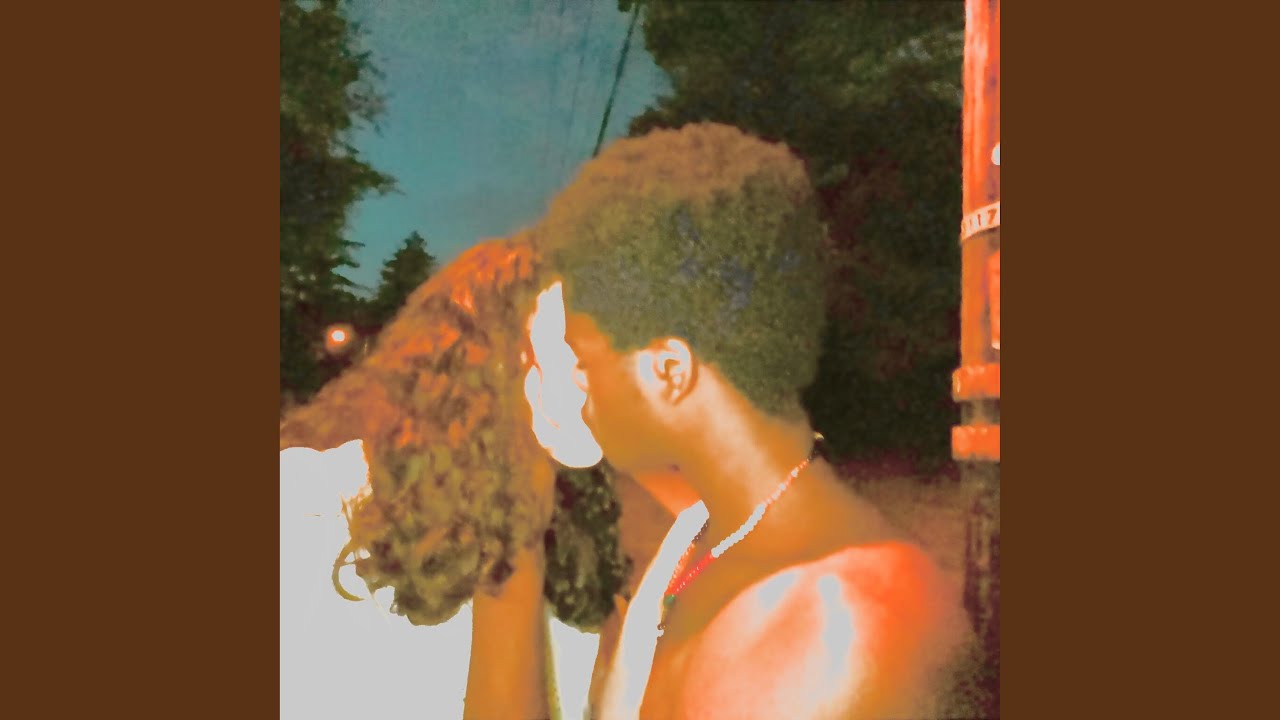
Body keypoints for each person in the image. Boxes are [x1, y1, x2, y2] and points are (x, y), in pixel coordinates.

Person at [522, 123, 976, 719]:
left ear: (668, 371)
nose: (572, 387)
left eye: (581, 362)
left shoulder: (833, 630)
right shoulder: (701, 547)